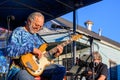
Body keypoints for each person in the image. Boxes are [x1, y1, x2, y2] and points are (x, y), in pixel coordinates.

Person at [6, 12, 66, 80]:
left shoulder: (38, 37)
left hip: (37, 68)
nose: (38, 28)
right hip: (21, 68)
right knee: (25, 77)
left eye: (40, 26)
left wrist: (54, 55)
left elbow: (42, 57)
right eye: (36, 25)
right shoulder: (18, 32)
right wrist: (31, 49)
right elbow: (9, 50)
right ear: (29, 21)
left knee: (60, 69)